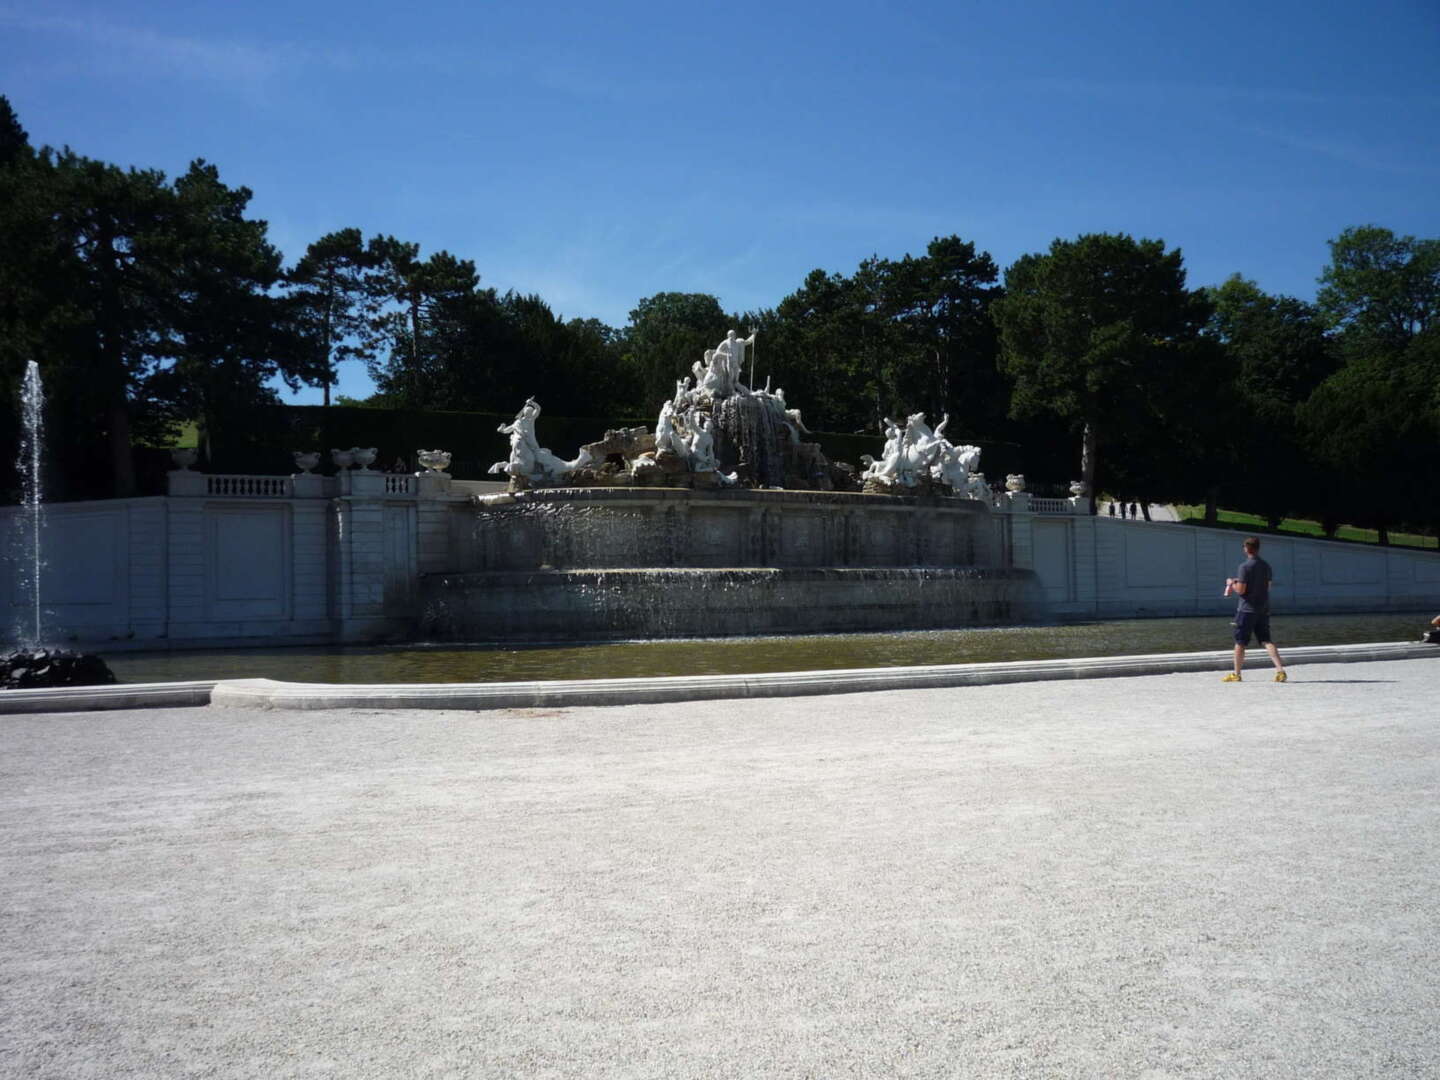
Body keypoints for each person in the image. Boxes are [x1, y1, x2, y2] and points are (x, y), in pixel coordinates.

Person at [1223, 536, 1287, 682]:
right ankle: (1280, 671)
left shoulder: (1244, 567)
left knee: (1240, 642)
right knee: (1266, 640)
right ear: (1258, 548)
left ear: (1246, 549)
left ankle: (1236, 674)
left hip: (1246, 610)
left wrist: (1231, 583)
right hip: (1263, 608)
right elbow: (1268, 587)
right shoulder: (1266, 566)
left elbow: (1241, 590)